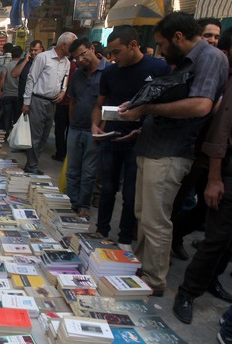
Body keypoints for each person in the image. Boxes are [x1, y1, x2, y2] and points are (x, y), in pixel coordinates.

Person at [118, 12, 228, 296]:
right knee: (144, 214)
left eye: (162, 44)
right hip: (154, 146)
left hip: (170, 152)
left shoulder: (210, 58)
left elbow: (201, 106)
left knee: (156, 219)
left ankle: (153, 279)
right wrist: (143, 119)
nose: (162, 50)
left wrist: (147, 109)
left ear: (178, 37)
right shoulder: (184, 61)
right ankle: (143, 267)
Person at [91, 25, 170, 252]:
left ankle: (125, 238)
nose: (113, 58)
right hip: (112, 138)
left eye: (117, 52)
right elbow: (100, 105)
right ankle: (101, 231)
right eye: (110, 53)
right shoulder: (110, 72)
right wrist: (95, 125)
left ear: (133, 45)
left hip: (140, 142)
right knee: (107, 189)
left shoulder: (158, 68)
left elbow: (163, 106)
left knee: (131, 195)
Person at [173, 74, 232, 324]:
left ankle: (212, 279)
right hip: (224, 170)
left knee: (227, 243)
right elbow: (220, 134)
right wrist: (215, 178)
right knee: (215, 238)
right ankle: (188, 292)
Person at [66, 38, 110, 219]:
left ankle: (84, 205)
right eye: (76, 58)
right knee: (72, 169)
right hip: (76, 127)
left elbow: (108, 104)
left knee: (89, 171)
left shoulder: (108, 72)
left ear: (92, 49)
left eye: (83, 54)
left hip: (95, 130)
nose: (80, 60)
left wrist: (101, 127)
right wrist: (71, 122)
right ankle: (72, 202)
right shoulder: (77, 74)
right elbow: (72, 100)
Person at [22, 32, 77, 175]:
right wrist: (26, 102)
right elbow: (31, 79)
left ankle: (33, 162)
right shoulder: (43, 57)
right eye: (72, 46)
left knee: (44, 135)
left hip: (52, 102)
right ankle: (31, 165)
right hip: (38, 100)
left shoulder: (67, 62)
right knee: (35, 135)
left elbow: (65, 79)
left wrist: (63, 91)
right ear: (64, 45)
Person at [0, 44, 21, 138]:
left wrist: (0, 90)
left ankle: (6, 133)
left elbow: (2, 79)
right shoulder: (22, 66)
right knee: (16, 116)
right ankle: (14, 135)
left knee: (7, 115)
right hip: (18, 95)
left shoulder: (6, 66)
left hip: (7, 94)